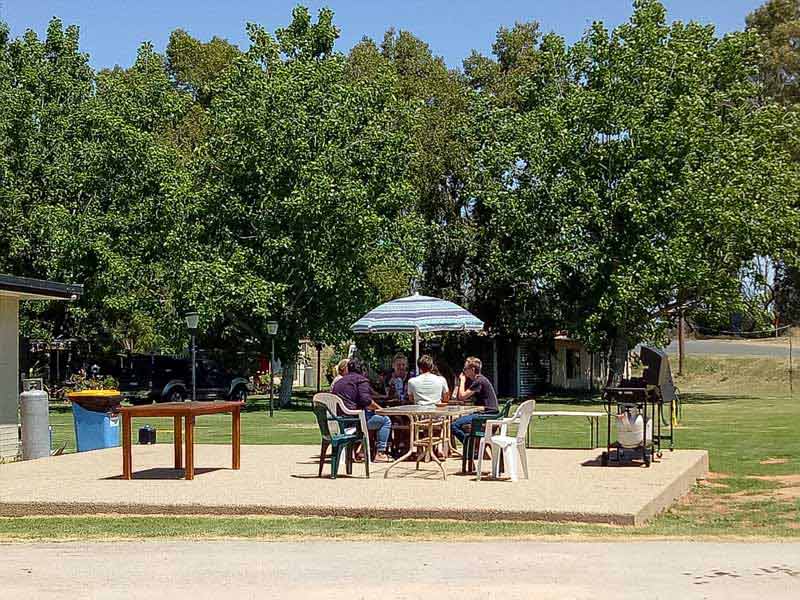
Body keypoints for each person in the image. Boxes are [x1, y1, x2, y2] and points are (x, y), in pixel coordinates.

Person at [332, 358, 392, 462]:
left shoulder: (339, 382)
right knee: (385, 420)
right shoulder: (360, 380)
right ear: (362, 369)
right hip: (355, 421)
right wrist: (381, 410)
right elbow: (366, 402)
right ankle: (380, 453)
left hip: (340, 420)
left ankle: (362, 452)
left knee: (371, 417)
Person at [450, 357, 499, 444]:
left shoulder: (479, 381)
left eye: (465, 369)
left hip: (487, 414)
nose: (463, 371)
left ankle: (471, 447)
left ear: (472, 369)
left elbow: (461, 397)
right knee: (458, 422)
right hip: (487, 413)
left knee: (454, 425)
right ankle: (474, 448)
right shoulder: (480, 380)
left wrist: (462, 381)